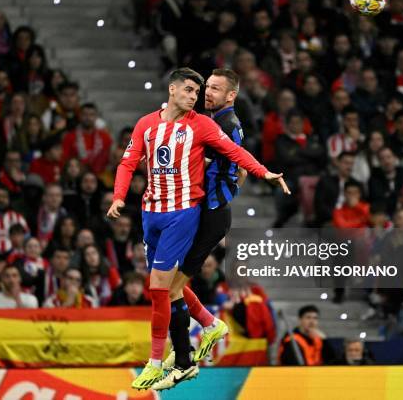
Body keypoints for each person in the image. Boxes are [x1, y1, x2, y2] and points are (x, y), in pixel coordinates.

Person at [107, 67, 289, 390]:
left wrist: (262, 173)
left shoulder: (211, 125)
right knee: (167, 287)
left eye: (204, 90)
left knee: (162, 289)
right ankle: (206, 326)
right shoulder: (149, 124)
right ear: (173, 90)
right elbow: (127, 162)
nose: (199, 96)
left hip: (193, 213)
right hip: (155, 211)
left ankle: (166, 361)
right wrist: (119, 196)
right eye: (192, 90)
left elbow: (234, 154)